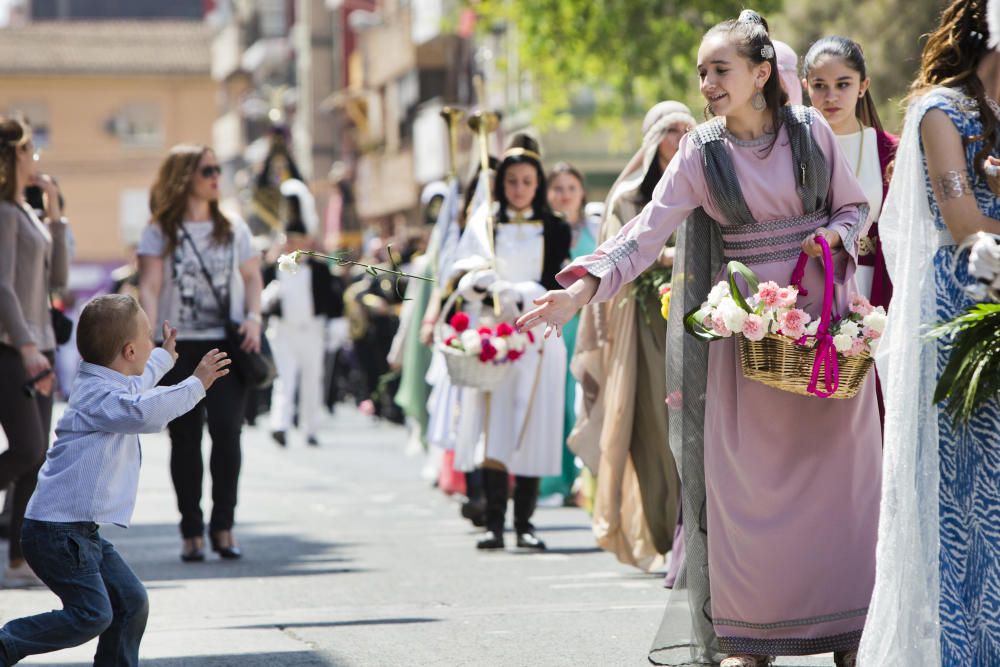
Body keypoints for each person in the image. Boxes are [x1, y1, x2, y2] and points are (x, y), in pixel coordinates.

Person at [518, 11, 879, 666]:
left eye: (720, 70)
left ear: (761, 74)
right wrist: (577, 291)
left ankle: (852, 633)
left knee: (841, 492)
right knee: (747, 497)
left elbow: (854, 207)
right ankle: (751, 638)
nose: (707, 83)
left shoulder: (811, 134)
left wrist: (835, 236)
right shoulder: (700, 152)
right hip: (745, 349)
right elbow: (643, 234)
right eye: (702, 73)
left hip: (825, 334)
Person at [858, 1, 1000, 664]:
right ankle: (964, 644)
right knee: (968, 491)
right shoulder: (944, 111)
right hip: (962, 306)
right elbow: (963, 214)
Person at [0, 295, 229, 667]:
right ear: (129, 349)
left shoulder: (109, 382)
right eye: (148, 340)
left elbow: (137, 386)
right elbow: (145, 412)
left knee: (131, 603)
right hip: (55, 535)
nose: (153, 343)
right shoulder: (100, 396)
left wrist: (162, 358)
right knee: (92, 614)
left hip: (77, 533)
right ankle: (6, 644)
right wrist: (195, 384)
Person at [569, 101, 694, 573]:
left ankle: (694, 538)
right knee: (654, 430)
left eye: (688, 127)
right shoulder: (625, 198)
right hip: (644, 328)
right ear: (651, 139)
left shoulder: (701, 186)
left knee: (697, 429)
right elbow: (620, 253)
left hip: (695, 318)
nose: (681, 136)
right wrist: (666, 258)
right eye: (670, 129)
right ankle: (666, 532)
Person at [137, 144, 263, 562]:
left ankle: (223, 527)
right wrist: (151, 338)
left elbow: (252, 277)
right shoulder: (161, 230)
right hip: (178, 345)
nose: (215, 177)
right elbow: (151, 286)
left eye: (217, 169)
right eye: (207, 170)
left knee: (228, 431)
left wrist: (254, 318)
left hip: (223, 343)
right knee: (185, 438)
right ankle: (191, 531)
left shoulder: (233, 228)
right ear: (184, 177)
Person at [447, 134, 572, 550]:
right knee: (495, 426)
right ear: (501, 184)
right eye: (512, 181)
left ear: (538, 185)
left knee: (535, 426)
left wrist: (524, 288)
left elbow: (560, 281)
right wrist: (482, 283)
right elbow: (463, 275)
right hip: (497, 339)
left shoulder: (555, 228)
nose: (519, 189)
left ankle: (526, 523)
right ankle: (495, 523)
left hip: (539, 338)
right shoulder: (486, 226)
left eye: (527, 182)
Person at [0, 117, 69, 589]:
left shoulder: (25, 212)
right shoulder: (3, 214)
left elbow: (59, 280)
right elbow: (1, 285)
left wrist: (56, 216)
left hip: (42, 343)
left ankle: (19, 560)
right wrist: (24, 343)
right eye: (28, 149)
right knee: (26, 448)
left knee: (38, 454)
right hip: (12, 346)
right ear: (12, 157)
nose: (35, 156)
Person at [803, 36, 898, 308]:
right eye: (820, 85)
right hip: (807, 287)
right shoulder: (791, 149)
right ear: (806, 86)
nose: (831, 96)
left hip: (870, 288)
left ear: (862, 86)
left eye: (843, 84)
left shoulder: (890, 151)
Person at [263, 178, 342, 447]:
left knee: (312, 379)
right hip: (284, 329)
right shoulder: (274, 267)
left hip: (312, 329)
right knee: (284, 379)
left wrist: (335, 324)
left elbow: (333, 299)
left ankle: (310, 427)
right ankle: (280, 424)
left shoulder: (319, 268)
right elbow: (262, 296)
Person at [540, 162, 597, 504]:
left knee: (583, 399)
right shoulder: (543, 230)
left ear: (582, 192)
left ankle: (583, 480)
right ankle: (553, 480)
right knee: (556, 400)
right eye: (557, 188)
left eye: (570, 188)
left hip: (588, 323)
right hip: (555, 325)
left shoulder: (597, 227)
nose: (564, 195)